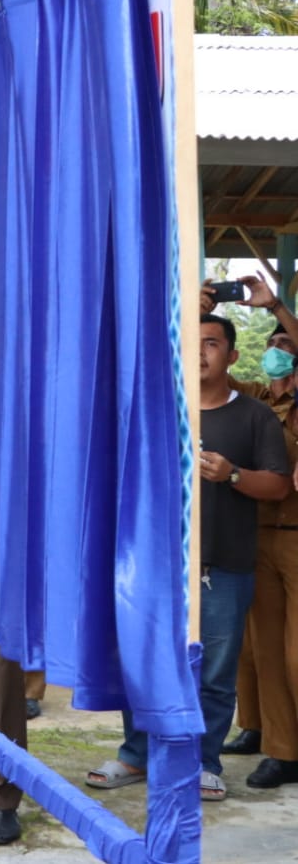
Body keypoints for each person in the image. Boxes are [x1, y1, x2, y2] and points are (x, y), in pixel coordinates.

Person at [84, 313, 289, 805]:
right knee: (143, 662)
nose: (199, 351)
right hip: (154, 563)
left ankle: (203, 762)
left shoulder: (254, 416)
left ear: (232, 356)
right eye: (192, 341)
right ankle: (136, 755)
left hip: (225, 565)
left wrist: (232, 475)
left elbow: (278, 485)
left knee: (214, 673)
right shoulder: (160, 409)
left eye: (212, 343)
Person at [207, 275, 298, 788]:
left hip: (296, 534)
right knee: (258, 650)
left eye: (286, 346)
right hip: (256, 534)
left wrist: (277, 309)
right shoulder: (261, 401)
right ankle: (277, 747)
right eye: (271, 345)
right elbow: (209, 378)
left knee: (295, 654)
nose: (276, 352)